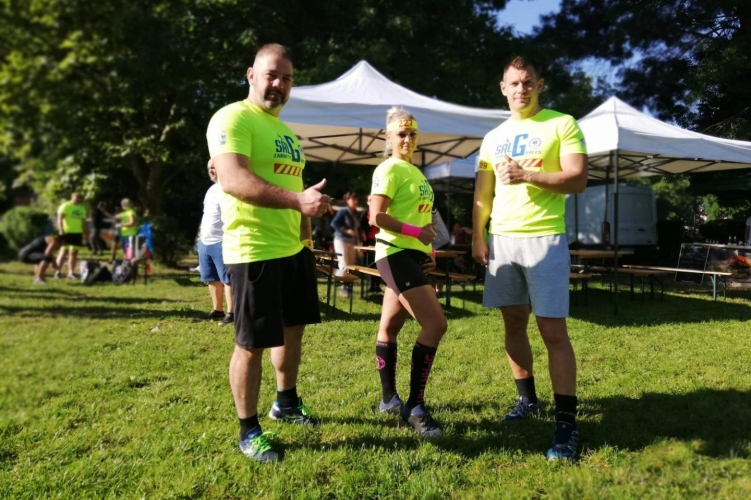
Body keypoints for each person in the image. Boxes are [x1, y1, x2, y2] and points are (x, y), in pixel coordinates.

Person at [206, 43, 331, 463]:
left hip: (293, 249)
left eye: (287, 78)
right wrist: (298, 201)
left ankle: (286, 402)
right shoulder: (233, 117)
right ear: (251, 75)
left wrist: (306, 234)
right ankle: (249, 430)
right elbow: (233, 178)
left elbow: (293, 189)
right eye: (271, 75)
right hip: (253, 250)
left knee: (293, 329)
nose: (279, 84)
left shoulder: (286, 133)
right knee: (251, 344)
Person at [473, 56, 588, 461]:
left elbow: (578, 179)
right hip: (502, 241)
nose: (520, 89)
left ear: (540, 85)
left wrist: (528, 175)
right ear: (502, 88)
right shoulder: (492, 138)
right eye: (514, 83)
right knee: (513, 322)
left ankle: (566, 425)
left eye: (528, 82)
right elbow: (483, 193)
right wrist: (478, 236)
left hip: (545, 239)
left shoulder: (562, 124)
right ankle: (527, 400)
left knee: (553, 331)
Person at [369, 106, 447, 437]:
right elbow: (376, 217)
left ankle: (389, 400)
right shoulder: (389, 168)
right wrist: (416, 234)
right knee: (435, 324)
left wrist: (429, 251)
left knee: (390, 326)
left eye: (412, 133)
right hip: (395, 253)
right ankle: (415, 407)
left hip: (413, 255)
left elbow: (423, 218)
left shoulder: (416, 172)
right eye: (401, 133)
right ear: (388, 137)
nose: (407, 139)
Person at [198, 159, 234, 326]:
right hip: (205, 241)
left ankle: (232, 312)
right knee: (212, 278)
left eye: (214, 167)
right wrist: (201, 233)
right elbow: (208, 214)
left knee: (227, 279)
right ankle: (217, 310)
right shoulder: (211, 190)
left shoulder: (229, 188)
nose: (211, 170)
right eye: (209, 168)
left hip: (222, 241)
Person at [331, 191, 361, 296]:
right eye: (353, 199)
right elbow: (334, 223)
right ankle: (344, 287)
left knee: (351, 264)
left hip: (352, 242)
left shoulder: (355, 213)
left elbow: (357, 228)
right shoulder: (343, 211)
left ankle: (348, 286)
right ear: (347, 201)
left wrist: (360, 235)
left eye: (356, 199)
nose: (355, 201)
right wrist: (347, 231)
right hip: (341, 240)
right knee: (344, 263)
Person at [55, 192, 87, 279]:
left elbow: (83, 221)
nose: (78, 200)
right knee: (63, 252)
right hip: (66, 232)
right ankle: (57, 271)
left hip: (77, 232)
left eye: (79, 198)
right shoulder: (65, 206)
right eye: (76, 198)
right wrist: (61, 230)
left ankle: (71, 273)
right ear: (71, 197)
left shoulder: (81, 208)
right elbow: (59, 219)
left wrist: (85, 231)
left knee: (74, 253)